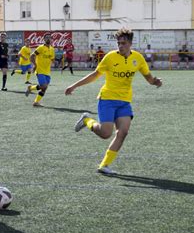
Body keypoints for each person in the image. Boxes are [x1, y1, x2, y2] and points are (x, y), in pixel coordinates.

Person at [64, 27, 162, 175]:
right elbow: (95, 75)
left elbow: (148, 78)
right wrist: (74, 86)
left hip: (124, 102)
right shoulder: (110, 57)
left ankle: (104, 165)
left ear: (130, 43)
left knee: (123, 132)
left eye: (123, 43)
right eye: (118, 43)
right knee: (105, 134)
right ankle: (86, 121)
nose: (120, 46)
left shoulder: (138, 58)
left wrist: (155, 82)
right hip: (107, 99)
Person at [25, 33, 55, 107]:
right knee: (44, 86)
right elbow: (32, 56)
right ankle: (31, 88)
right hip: (40, 70)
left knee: (44, 89)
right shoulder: (40, 48)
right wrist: (35, 65)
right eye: (46, 37)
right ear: (44, 39)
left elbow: (52, 59)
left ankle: (36, 102)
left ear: (51, 39)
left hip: (47, 71)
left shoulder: (52, 49)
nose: (48, 39)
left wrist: (56, 61)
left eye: (49, 37)